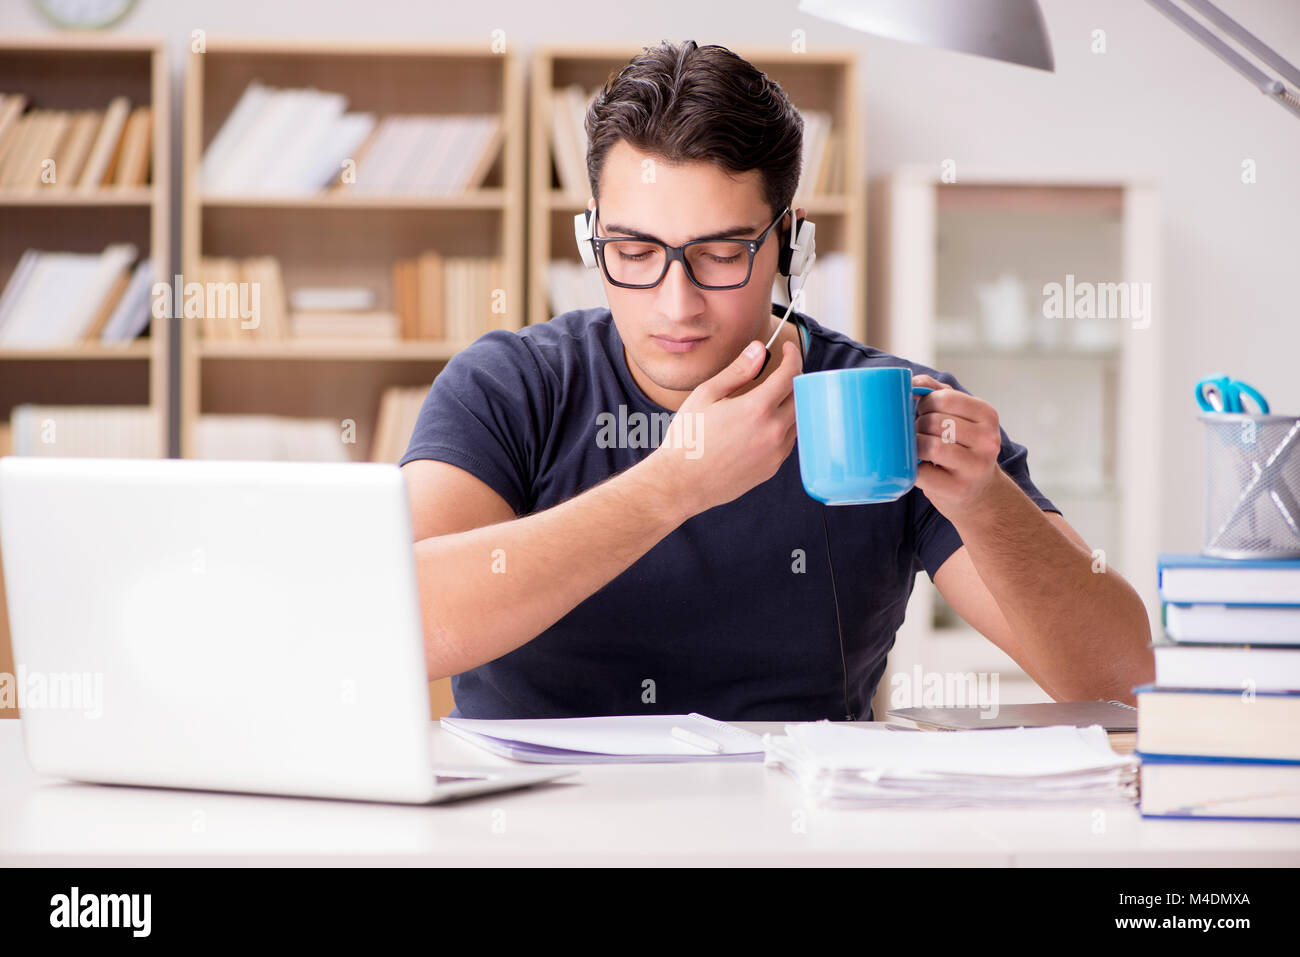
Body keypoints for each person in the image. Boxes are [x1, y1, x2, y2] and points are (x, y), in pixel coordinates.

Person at [400, 40, 1153, 720]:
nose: (676, 302)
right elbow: (394, 622)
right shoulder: (509, 387)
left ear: (790, 242)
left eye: (722, 253)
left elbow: (1124, 681)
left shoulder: (882, 407)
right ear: (590, 236)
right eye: (633, 251)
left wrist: (986, 502)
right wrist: (673, 486)